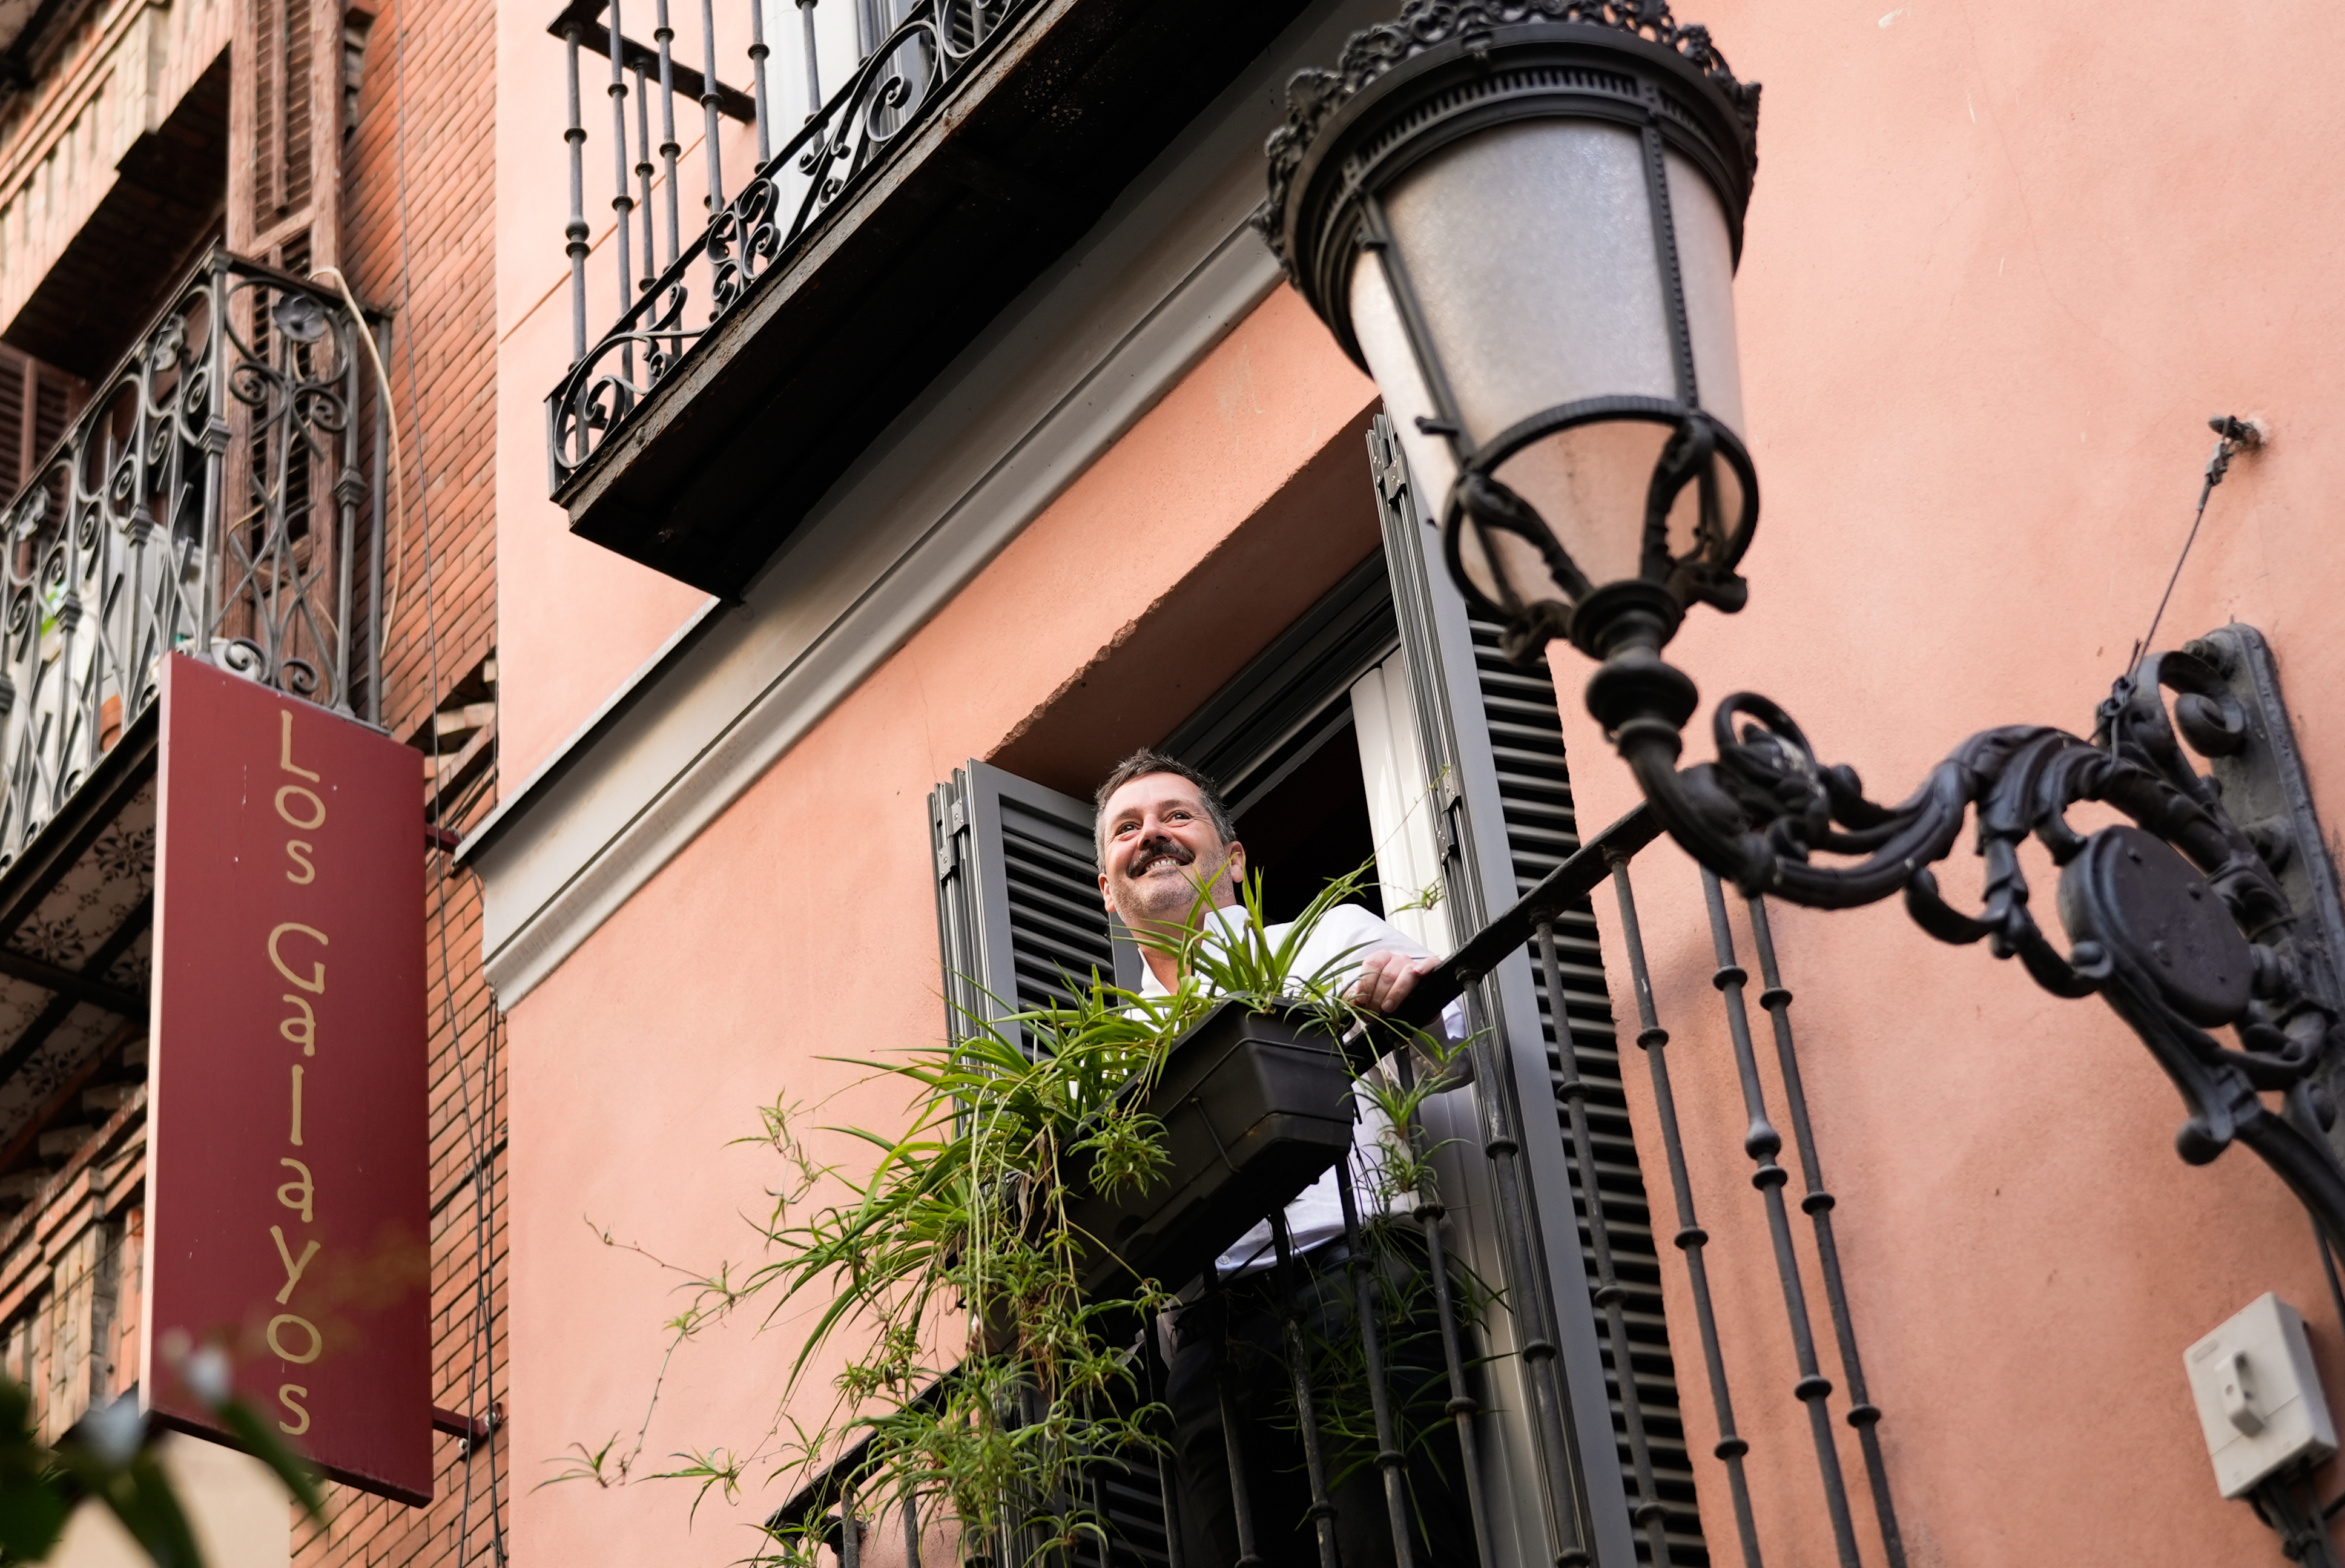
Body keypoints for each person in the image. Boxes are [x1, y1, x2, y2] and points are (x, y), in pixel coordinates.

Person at [1093, 749, 1479, 1568]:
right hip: (1206, 1345)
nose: (1151, 835)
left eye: (1175, 816)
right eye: (1127, 828)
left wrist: (1407, 1007)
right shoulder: (1103, 1063)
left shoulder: (1327, 937)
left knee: (1391, 1546)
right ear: (1107, 885)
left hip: (1358, 1281)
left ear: (1232, 857)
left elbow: (1462, 1053)